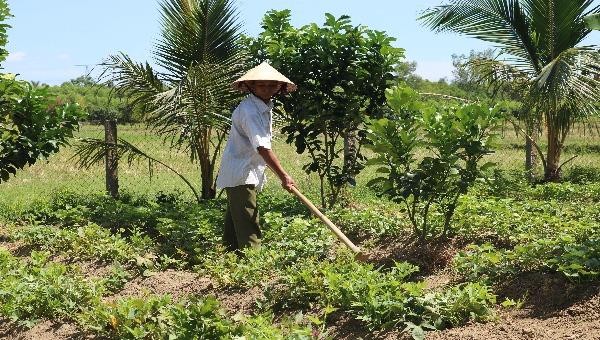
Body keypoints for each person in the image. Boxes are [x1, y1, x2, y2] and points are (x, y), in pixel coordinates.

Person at [216, 61, 297, 252]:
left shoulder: (263, 106)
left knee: (236, 223)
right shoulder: (250, 111)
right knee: (249, 222)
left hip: (245, 170)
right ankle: (254, 264)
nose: (267, 89)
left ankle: (229, 259)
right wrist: (284, 176)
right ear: (250, 86)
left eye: (272, 85)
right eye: (261, 85)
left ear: (279, 88)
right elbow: (262, 147)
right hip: (241, 171)